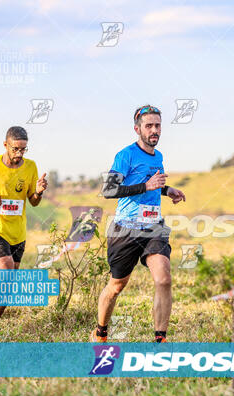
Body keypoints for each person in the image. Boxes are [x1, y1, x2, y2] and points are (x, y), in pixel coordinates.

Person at [90, 105, 186, 343]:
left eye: (158, 125)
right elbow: (109, 190)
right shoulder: (126, 155)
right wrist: (147, 186)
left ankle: (160, 340)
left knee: (163, 279)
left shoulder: (159, 156)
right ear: (137, 129)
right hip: (125, 228)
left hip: (154, 226)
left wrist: (167, 190)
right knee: (116, 285)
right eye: (149, 126)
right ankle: (101, 333)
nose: (154, 130)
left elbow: (153, 183)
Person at [0, 126, 47, 329]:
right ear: (6, 145)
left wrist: (38, 192)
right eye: (15, 149)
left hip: (18, 232)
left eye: (23, 149)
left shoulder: (30, 167)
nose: (19, 154)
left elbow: (33, 201)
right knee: (6, 270)